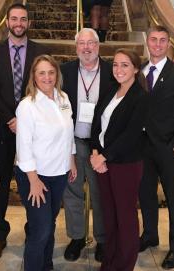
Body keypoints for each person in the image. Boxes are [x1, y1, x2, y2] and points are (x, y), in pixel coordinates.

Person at [0, 3, 49, 262]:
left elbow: (45, 87)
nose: (19, 23)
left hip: (33, 130)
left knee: (34, 180)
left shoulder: (41, 51)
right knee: (0, 184)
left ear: (28, 23)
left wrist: (25, 118)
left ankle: (34, 229)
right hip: (4, 127)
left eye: (23, 19)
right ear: (7, 22)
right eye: (14, 19)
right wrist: (11, 118)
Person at [139, 25, 174, 269]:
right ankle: (150, 235)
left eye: (163, 40)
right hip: (142, 148)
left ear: (168, 44)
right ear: (148, 42)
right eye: (154, 40)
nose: (158, 44)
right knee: (146, 195)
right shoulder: (139, 71)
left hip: (168, 149)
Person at [15, 54, 77, 271]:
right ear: (33, 76)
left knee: (49, 225)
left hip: (59, 173)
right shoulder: (27, 105)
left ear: (57, 74)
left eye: (51, 72)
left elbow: (68, 133)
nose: (47, 77)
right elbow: (23, 146)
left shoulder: (64, 98)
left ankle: (46, 265)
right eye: (41, 72)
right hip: (35, 175)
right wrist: (33, 179)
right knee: (40, 229)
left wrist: (72, 160)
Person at [90, 48, 148, 271]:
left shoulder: (140, 97)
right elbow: (97, 124)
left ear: (135, 68)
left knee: (126, 218)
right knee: (109, 216)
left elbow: (131, 135)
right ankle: (110, 262)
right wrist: (96, 153)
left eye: (125, 65)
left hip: (125, 165)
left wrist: (104, 156)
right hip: (103, 164)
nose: (119, 69)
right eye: (115, 64)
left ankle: (124, 265)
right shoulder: (110, 90)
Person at [61, 28, 113, 262]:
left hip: (99, 145)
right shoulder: (65, 72)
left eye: (90, 43)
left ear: (98, 46)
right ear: (76, 47)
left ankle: (102, 240)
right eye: (81, 44)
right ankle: (77, 237)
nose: (86, 48)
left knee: (101, 192)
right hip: (72, 142)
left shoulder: (113, 71)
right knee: (72, 191)